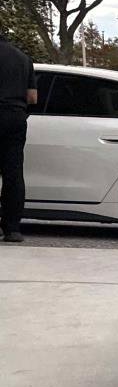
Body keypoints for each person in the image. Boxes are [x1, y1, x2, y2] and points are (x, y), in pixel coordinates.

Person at [0, 28, 37, 244]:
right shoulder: (23, 58)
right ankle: (12, 229)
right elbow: (32, 97)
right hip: (15, 117)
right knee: (13, 173)